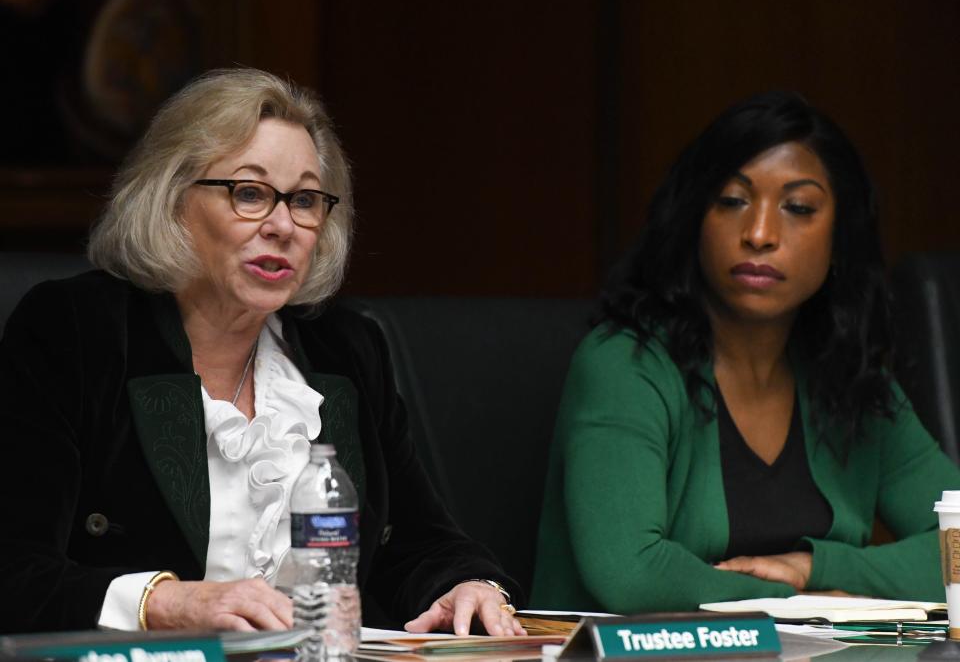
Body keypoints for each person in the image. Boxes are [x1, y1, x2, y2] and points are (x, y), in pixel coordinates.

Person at [0, 68, 524, 636]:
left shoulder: (343, 347)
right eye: (249, 193)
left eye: (304, 200)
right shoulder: (78, 331)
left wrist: (468, 586)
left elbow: (419, 540)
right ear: (172, 199)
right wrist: (166, 604)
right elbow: (14, 569)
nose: (282, 225)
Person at [531, 91, 960, 613]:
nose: (759, 234)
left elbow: (957, 545)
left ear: (840, 239)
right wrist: (808, 602)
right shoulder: (626, 363)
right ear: (693, 218)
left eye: (798, 208)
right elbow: (632, 574)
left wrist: (818, 568)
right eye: (732, 201)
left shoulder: (853, 380)